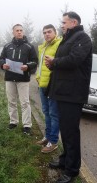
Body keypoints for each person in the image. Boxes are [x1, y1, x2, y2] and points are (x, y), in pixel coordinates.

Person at [45, 12, 92, 183]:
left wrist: (55, 62)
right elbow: (63, 63)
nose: (62, 25)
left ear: (74, 22)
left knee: (71, 132)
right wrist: (52, 64)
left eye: (64, 22)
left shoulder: (83, 38)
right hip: (63, 91)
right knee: (65, 130)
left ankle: (72, 170)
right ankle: (65, 159)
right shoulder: (68, 38)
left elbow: (74, 60)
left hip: (73, 93)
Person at [0, 24, 38, 135]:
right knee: (11, 101)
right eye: (17, 30)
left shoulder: (29, 46)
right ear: (13, 32)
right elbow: (1, 59)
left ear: (23, 32)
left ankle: (27, 126)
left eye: (21, 30)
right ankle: (13, 122)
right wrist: (3, 65)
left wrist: (28, 66)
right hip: (10, 78)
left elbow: (35, 61)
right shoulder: (7, 46)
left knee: (25, 103)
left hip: (23, 79)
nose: (19, 32)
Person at [36, 24, 61, 153]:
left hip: (53, 86)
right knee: (46, 112)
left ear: (55, 32)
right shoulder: (42, 47)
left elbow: (60, 62)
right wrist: (38, 76)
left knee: (54, 114)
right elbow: (41, 65)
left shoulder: (59, 44)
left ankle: (53, 141)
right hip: (42, 85)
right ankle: (47, 136)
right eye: (44, 32)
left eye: (49, 32)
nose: (46, 34)